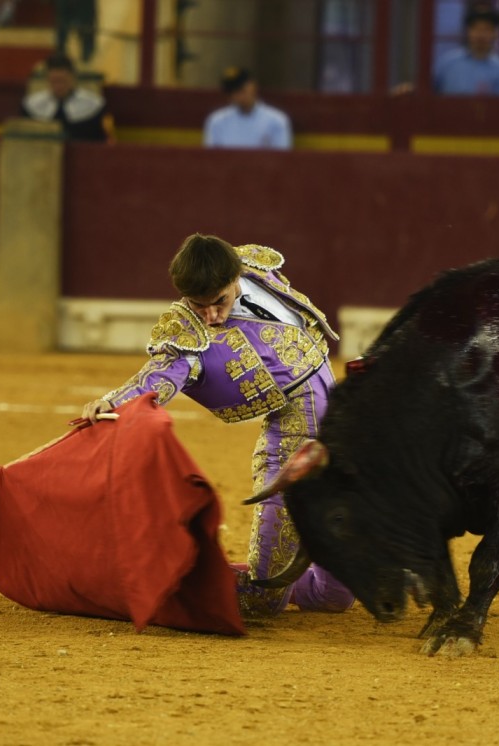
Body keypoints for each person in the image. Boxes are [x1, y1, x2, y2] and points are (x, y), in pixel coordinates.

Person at [80, 234, 354, 619]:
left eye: (219, 302)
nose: (211, 316)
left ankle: (246, 576)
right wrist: (113, 402)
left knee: (335, 595)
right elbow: (157, 376)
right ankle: (151, 578)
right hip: (292, 455)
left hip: (341, 435)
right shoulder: (186, 334)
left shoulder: (257, 267)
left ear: (236, 277)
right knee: (263, 601)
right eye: (199, 305)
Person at [20, 53, 109, 142]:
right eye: (54, 81)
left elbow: (98, 141)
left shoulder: (93, 105)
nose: (58, 86)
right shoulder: (31, 106)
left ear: (72, 78)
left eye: (62, 81)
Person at [433, 4, 499, 96]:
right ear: (468, 31)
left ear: (494, 34)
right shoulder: (447, 63)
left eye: (486, 29)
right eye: (476, 28)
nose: (481, 35)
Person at [203, 67, 292, 150]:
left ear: (253, 86)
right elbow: (212, 157)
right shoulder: (217, 121)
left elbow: (282, 160)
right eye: (232, 92)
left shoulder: (276, 120)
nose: (238, 95)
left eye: (242, 89)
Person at [54, 0, 97, 65]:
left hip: (84, 7)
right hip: (66, 6)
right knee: (62, 31)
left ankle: (86, 58)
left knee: (86, 31)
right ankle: (60, 57)